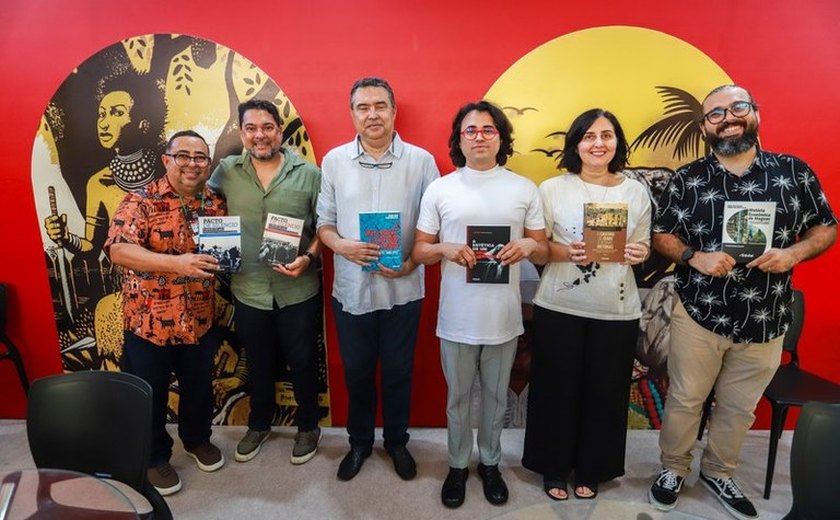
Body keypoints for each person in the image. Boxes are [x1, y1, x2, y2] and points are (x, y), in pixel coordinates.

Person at [648, 85, 837, 520]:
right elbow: (662, 235)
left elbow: (825, 227)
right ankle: (673, 468)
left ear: (755, 113)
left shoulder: (794, 172)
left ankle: (719, 470)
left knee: (739, 407)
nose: (728, 118)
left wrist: (793, 254)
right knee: (685, 398)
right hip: (699, 313)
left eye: (738, 108)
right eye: (716, 114)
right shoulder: (687, 178)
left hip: (766, 317)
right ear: (704, 127)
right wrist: (695, 256)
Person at [412, 100, 548, 508]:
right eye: (470, 131)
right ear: (459, 140)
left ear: (501, 138)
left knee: (494, 399)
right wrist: (445, 249)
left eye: (488, 130)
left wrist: (528, 244)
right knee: (457, 398)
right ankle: (457, 464)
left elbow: (542, 250)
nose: (479, 137)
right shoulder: (441, 188)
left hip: (503, 318)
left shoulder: (524, 188)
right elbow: (419, 251)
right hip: (456, 318)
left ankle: (490, 463)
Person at [521, 109, 652, 501]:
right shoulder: (552, 189)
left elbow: (644, 246)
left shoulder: (635, 191)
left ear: (617, 143)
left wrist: (636, 251)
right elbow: (539, 252)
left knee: (607, 392)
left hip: (616, 308)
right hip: (559, 305)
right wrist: (567, 251)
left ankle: (593, 469)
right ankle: (553, 468)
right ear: (576, 144)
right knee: (553, 389)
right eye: (589, 136)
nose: (598, 143)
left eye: (607, 135)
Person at [317, 77, 440, 481]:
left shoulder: (421, 161)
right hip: (352, 290)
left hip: (403, 287)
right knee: (356, 371)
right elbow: (324, 224)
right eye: (363, 107)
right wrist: (341, 247)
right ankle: (359, 442)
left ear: (393, 111)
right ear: (352, 113)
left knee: (400, 370)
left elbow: (433, 226)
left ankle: (397, 441)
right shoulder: (334, 161)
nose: (372, 114)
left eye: (380, 105)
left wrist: (410, 263)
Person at [104, 130, 227, 496]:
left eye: (200, 157)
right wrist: (178, 264)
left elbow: (221, 253)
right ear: (167, 159)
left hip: (200, 319)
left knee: (199, 387)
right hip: (148, 323)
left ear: (208, 163)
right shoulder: (139, 201)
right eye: (184, 155)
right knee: (150, 393)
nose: (192, 163)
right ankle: (155, 456)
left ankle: (196, 439)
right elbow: (118, 251)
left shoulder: (215, 201)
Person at [209, 99, 324, 465]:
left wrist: (308, 256)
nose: (260, 135)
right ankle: (258, 425)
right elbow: (205, 207)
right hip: (248, 288)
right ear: (242, 133)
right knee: (257, 361)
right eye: (251, 128)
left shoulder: (309, 173)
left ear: (279, 130)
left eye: (267, 127)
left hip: (298, 289)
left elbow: (326, 228)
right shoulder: (226, 171)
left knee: (303, 361)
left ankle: (308, 426)